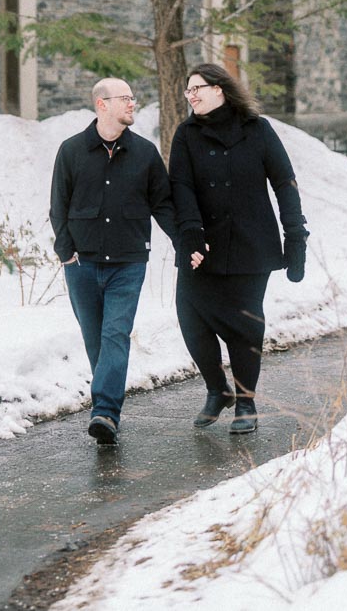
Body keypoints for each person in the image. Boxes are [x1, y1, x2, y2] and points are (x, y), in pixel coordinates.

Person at [170, 62, 308, 435]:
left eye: (198, 87)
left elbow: (284, 182)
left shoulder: (257, 130)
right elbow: (180, 187)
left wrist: (295, 235)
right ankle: (218, 389)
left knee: (245, 326)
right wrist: (191, 234)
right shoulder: (186, 134)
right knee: (190, 316)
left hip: (252, 244)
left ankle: (246, 401)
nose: (192, 94)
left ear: (220, 89)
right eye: (188, 90)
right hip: (204, 247)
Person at [50, 78, 177, 445]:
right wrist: (65, 252)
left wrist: (185, 242)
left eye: (133, 99)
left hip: (128, 262)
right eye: (125, 99)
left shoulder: (145, 153)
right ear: (101, 104)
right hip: (82, 264)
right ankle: (105, 407)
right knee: (96, 342)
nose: (132, 104)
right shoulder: (71, 151)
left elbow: (163, 205)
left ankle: (105, 411)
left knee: (115, 333)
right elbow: (59, 204)